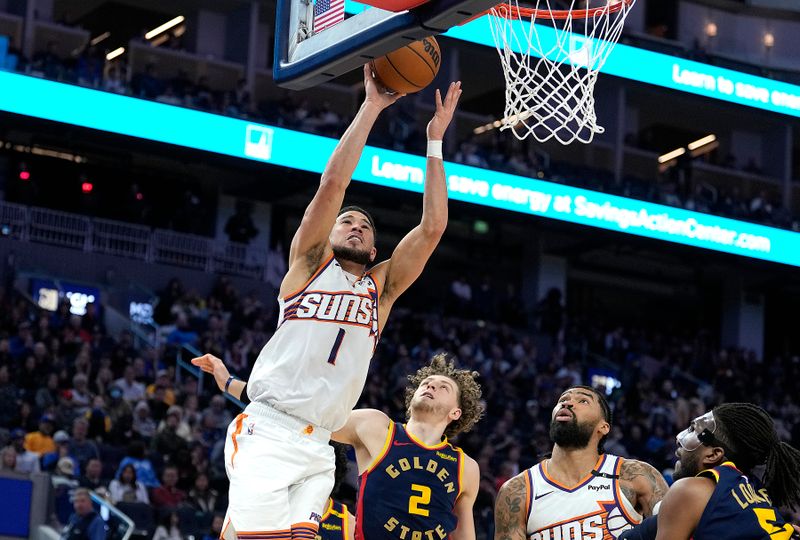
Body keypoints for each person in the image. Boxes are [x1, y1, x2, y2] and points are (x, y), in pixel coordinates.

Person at [192, 64, 462, 539]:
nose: (355, 225)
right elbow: (333, 185)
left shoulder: (381, 290)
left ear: (375, 251)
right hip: (268, 432)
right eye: (346, 222)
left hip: (320, 449)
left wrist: (435, 142)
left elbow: (433, 229)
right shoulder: (309, 264)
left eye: (364, 226)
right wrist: (372, 107)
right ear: (329, 232)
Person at [195, 353, 482, 540]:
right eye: (426, 383)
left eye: (442, 387)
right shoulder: (377, 428)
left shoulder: (465, 467)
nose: (430, 386)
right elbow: (298, 413)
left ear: (455, 412)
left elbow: (464, 535)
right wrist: (229, 383)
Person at [494, 386, 669, 540]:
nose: (568, 403)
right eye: (563, 400)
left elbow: (677, 527)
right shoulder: (517, 490)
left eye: (583, 401)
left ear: (603, 427)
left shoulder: (636, 475)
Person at [650, 403, 800, 540]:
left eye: (693, 430)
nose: (678, 438)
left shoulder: (689, 490)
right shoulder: (758, 494)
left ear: (713, 454)